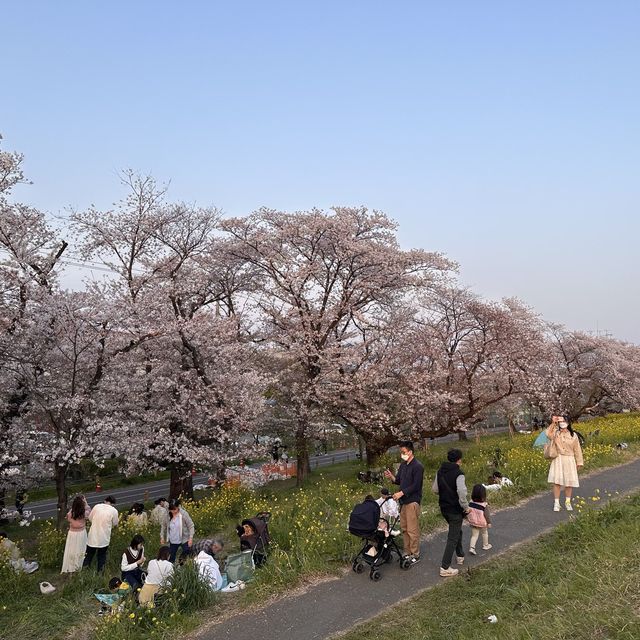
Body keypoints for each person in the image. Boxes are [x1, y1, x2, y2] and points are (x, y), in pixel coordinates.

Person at [383, 440, 424, 565]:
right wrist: (391, 477)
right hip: (403, 502)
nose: (402, 454)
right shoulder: (403, 465)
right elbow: (399, 481)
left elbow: (416, 486)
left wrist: (401, 493)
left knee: (412, 529)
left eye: (404, 452)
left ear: (410, 451)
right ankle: (407, 552)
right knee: (404, 528)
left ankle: (415, 554)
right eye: (401, 452)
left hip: (412, 501)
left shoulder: (418, 466)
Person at [432, 448, 469, 577]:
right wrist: (466, 507)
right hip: (455, 509)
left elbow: (435, 489)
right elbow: (462, 492)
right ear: (459, 460)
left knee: (457, 530)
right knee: (453, 537)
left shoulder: (440, 471)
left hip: (444, 508)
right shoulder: (459, 473)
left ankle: (460, 555)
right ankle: (445, 567)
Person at [546, 415, 584, 511]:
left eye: (564, 421)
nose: (562, 423)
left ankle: (568, 502)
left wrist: (579, 461)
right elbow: (547, 433)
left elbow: (577, 449)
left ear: (568, 422)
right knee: (557, 482)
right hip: (558, 459)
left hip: (569, 459)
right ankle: (557, 503)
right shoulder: (556, 433)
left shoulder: (573, 435)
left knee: (569, 482)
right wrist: (553, 423)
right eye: (560, 421)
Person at [84, 495, 119, 573]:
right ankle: (100, 573)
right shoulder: (114, 511)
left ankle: (85, 572)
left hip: (93, 535)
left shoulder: (97, 506)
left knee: (88, 555)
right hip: (104, 538)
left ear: (105, 501)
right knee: (102, 556)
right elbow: (115, 523)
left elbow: (90, 518)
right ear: (113, 503)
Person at [61, 494, 91, 573]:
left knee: (71, 550)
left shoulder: (71, 513)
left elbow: (68, 518)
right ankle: (79, 566)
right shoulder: (84, 513)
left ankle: (70, 566)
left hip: (72, 533)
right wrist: (86, 503)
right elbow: (89, 512)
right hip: (81, 533)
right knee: (81, 549)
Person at [467, 484, 492, 555]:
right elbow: (486, 515)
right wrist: (489, 522)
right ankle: (485, 545)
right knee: (484, 533)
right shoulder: (484, 504)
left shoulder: (471, 502)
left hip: (473, 522)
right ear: (483, 495)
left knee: (474, 535)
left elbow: (468, 511)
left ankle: (472, 548)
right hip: (482, 522)